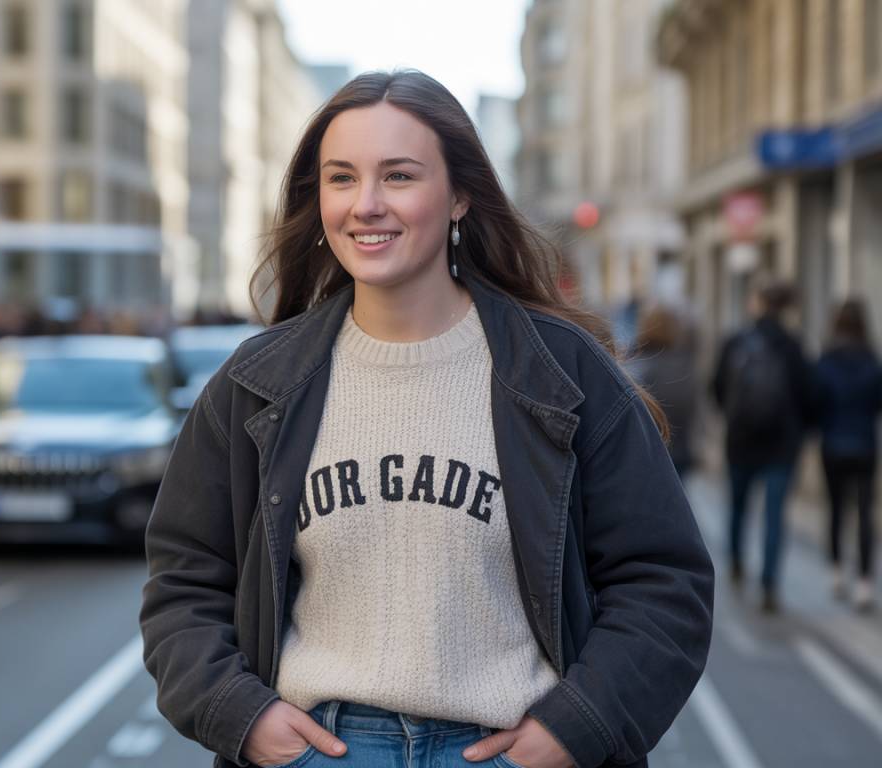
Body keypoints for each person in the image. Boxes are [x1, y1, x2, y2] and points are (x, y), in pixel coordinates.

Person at [140, 70, 714, 768]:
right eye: (342, 178)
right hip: (322, 749)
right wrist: (244, 716)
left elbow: (664, 580)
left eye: (400, 176)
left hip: (506, 748)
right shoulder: (256, 384)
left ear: (460, 196)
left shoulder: (563, 374)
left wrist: (576, 726)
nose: (367, 205)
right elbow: (183, 585)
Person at [712, 278, 813, 613]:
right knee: (773, 516)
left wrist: (732, 416)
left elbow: (715, 387)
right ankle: (769, 583)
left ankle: (737, 563)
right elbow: (806, 395)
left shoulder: (737, 341)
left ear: (756, 304)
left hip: (740, 441)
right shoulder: (792, 345)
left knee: (738, 507)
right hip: (780, 446)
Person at [814, 299, 882, 611]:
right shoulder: (871, 359)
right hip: (864, 444)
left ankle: (837, 571)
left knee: (837, 507)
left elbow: (816, 400)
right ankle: (866, 582)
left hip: (832, 443)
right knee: (865, 512)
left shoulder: (827, 359)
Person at [624, 305, 698, 478]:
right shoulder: (684, 365)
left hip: (644, 454)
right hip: (679, 449)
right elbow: (693, 407)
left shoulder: (636, 365)